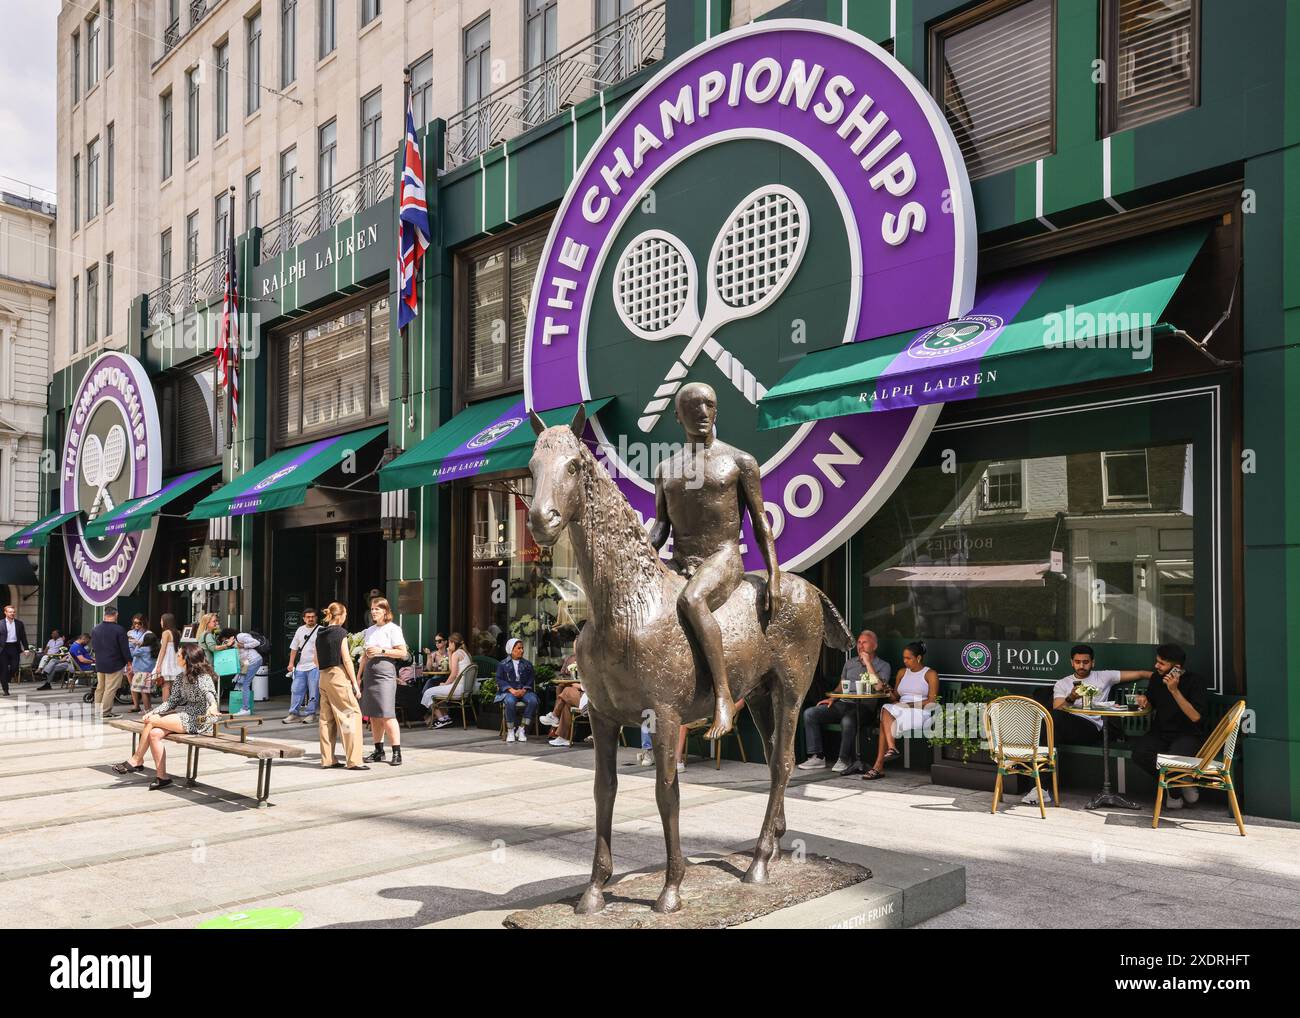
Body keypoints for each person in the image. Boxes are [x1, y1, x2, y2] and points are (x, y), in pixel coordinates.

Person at [648, 382, 780, 738]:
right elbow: (661, 525)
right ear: (678, 416)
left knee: (692, 599)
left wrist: (774, 576)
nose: (702, 412)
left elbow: (760, 522)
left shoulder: (739, 461)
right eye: (692, 406)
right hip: (681, 559)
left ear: (717, 410)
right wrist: (644, 554)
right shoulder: (666, 469)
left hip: (722, 557)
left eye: (709, 404)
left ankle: (723, 697)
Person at [112, 644, 219, 790]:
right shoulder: (181, 677)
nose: (176, 657)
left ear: (187, 658)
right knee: (154, 733)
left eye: (179, 655)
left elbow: (210, 694)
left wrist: (213, 706)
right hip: (187, 714)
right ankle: (162, 777)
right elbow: (171, 701)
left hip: (201, 719)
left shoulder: (203, 677)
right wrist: (154, 711)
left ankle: (137, 759)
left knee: (152, 721)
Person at [798, 630, 891, 775]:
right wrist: (832, 698)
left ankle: (844, 759)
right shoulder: (850, 663)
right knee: (811, 713)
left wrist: (867, 662)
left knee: (848, 720)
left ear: (874, 646)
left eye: (864, 642)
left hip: (865, 707)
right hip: (843, 703)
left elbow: (879, 687)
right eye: (859, 642)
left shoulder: (883, 665)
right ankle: (817, 757)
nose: (860, 646)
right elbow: (842, 685)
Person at [1129, 644, 1208, 809]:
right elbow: (1151, 703)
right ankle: (1178, 786)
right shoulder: (1156, 679)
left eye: (1162, 663)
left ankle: (1175, 786)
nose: (1156, 666)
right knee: (1139, 753)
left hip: (1188, 734)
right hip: (1161, 732)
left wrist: (1174, 690)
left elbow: (1195, 717)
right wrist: (1145, 701)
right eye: (1157, 661)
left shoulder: (1196, 681)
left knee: (1174, 760)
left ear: (1176, 668)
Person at [862, 642, 939, 780]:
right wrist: (887, 690)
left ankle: (879, 765)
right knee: (885, 709)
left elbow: (931, 702)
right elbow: (895, 697)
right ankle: (890, 750)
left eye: (908, 658)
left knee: (884, 719)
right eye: (904, 658)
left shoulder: (930, 674)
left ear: (919, 658)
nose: (905, 661)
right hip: (901, 710)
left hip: (920, 712)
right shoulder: (902, 672)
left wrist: (907, 705)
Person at [1051, 644, 1150, 746]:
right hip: (1068, 725)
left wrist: (1161, 677)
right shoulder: (1062, 683)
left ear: (1093, 663)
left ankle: (1048, 757)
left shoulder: (1104, 676)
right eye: (1077, 662)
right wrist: (1071, 698)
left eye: (1085, 662)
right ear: (1072, 662)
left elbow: (1140, 673)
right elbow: (1057, 710)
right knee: (1053, 719)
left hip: (1091, 727)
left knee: (1055, 727)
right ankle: (1048, 755)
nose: (1081, 666)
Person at [316, 601, 367, 770]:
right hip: (337, 676)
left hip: (322, 677)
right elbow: (346, 659)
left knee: (326, 719)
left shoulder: (320, 633)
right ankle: (354, 760)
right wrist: (354, 682)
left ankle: (328, 759)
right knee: (350, 714)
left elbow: (315, 660)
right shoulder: (340, 633)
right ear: (341, 616)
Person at [359, 598, 408, 765]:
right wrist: (358, 677)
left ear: (385, 612)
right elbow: (364, 656)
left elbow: (402, 653)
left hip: (385, 670)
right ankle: (378, 750)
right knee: (373, 715)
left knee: (387, 713)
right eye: (372, 609)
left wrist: (381, 650)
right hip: (370, 672)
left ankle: (396, 752)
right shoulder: (369, 630)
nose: (373, 612)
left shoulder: (393, 629)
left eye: (377, 610)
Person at [423, 632, 475, 729]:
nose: (449, 645)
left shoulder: (457, 654)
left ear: (453, 643)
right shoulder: (466, 653)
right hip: (466, 689)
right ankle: (445, 717)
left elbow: (453, 674)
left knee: (428, 692)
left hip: (458, 688)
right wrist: (450, 653)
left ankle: (441, 719)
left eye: (450, 643)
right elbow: (452, 669)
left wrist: (445, 684)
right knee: (436, 692)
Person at [495, 638, 539, 743]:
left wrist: (524, 689)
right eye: (519, 648)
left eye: (522, 648)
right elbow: (499, 679)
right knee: (510, 701)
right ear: (511, 649)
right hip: (510, 691)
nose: (522, 650)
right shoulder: (503, 664)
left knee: (533, 700)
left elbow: (531, 678)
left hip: (524, 690)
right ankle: (510, 730)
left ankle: (521, 728)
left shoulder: (527, 664)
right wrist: (511, 689)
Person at [90, 607, 132, 718]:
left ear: (105, 615)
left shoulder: (95, 629)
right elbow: (124, 648)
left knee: (100, 688)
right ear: (116, 615)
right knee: (110, 688)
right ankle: (105, 712)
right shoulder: (119, 629)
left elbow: (94, 647)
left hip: (100, 662)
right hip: (115, 663)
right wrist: (129, 662)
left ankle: (98, 712)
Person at [283, 608, 322, 725]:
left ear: (316, 618)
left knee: (313, 691)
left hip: (315, 666)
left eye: (313, 616)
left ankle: (311, 714)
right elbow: (294, 647)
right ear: (304, 619)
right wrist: (291, 663)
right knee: (296, 690)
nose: (310, 619)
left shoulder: (321, 630)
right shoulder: (300, 629)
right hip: (300, 666)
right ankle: (294, 714)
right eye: (308, 617)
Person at [221, 628, 263, 717]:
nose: (225, 641)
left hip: (253, 660)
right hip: (248, 663)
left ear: (229, 636)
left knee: (245, 684)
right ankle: (244, 707)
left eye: (225, 639)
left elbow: (256, 643)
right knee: (242, 683)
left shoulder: (240, 636)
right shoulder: (233, 642)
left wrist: (242, 645)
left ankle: (245, 708)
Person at [1, 603, 30, 696]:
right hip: (3, 649)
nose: (12, 614)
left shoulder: (19, 623)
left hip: (14, 647)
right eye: (10, 612)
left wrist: (26, 648)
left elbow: (23, 637)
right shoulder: (0, 623)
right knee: (4, 669)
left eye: (13, 612)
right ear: (5, 613)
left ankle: (5, 678)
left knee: (15, 667)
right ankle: (6, 690)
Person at [155, 613, 183, 704]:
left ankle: (165, 707)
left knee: (165, 686)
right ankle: (171, 707)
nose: (160, 622)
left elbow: (163, 650)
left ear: (165, 622)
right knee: (172, 685)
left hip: (166, 660)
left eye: (161, 620)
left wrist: (159, 665)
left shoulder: (166, 633)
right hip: (174, 660)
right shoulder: (177, 632)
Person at [129, 631, 159, 714]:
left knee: (143, 692)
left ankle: (146, 709)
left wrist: (136, 645)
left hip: (142, 673)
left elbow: (133, 654)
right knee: (147, 692)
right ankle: (149, 708)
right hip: (150, 673)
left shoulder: (143, 649)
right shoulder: (155, 649)